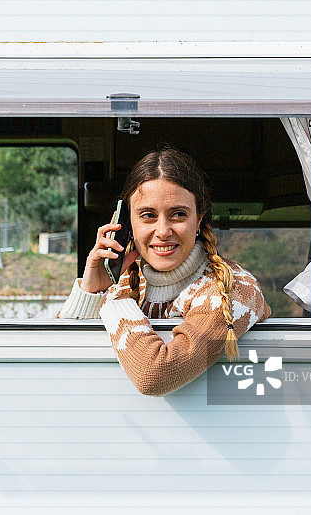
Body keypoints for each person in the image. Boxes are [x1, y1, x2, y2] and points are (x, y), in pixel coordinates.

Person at [58, 146, 271, 395]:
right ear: (128, 224)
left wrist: (111, 302)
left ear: (199, 219)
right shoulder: (125, 283)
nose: (163, 230)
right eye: (147, 215)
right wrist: (92, 290)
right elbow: (61, 364)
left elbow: (155, 376)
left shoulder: (234, 290)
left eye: (178, 215)